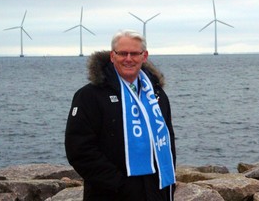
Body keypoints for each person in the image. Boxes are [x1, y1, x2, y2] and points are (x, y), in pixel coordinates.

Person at [65, 29, 176, 201]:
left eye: (135, 53)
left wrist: (169, 184)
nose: (129, 59)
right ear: (112, 56)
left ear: (144, 56)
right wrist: (118, 184)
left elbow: (168, 141)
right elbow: (79, 150)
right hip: (110, 193)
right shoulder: (90, 95)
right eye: (123, 53)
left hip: (156, 190)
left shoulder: (156, 94)